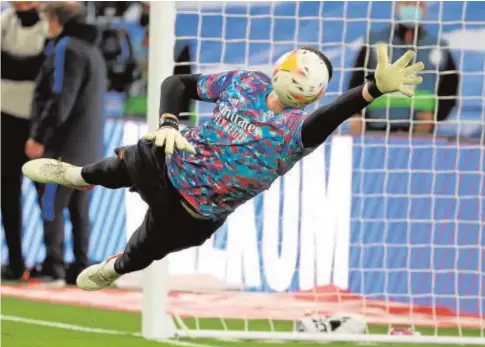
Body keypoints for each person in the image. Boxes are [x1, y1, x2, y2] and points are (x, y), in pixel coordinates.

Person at [22, 44, 425, 291]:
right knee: (129, 159)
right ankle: (76, 175)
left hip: (197, 212)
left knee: (142, 253)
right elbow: (177, 85)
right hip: (173, 159)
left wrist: (370, 90)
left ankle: (115, 268)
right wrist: (168, 122)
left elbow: (334, 114)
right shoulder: (245, 83)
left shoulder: (297, 131)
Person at [25, 1, 107, 286]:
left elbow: (61, 98)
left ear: (55, 19)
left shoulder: (66, 48)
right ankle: (80, 266)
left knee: (52, 205)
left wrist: (39, 137)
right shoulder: (93, 52)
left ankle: (53, 266)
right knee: (79, 209)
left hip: (63, 147)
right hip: (89, 148)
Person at [348, 1, 459, 135]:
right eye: (407, 4)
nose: (412, 8)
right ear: (397, 7)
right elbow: (357, 81)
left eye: (417, 4)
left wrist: (435, 116)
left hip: (421, 130)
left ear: (425, 9)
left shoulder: (438, 46)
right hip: (376, 126)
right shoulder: (374, 42)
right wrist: (356, 114)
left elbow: (450, 86)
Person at [1, 1, 49, 280]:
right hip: (5, 118)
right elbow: (31, 67)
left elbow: (41, 69)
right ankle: (16, 261)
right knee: (7, 193)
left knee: (46, 191)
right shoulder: (5, 21)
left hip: (37, 121)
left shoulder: (47, 24)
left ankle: (51, 261)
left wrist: (11, 63)